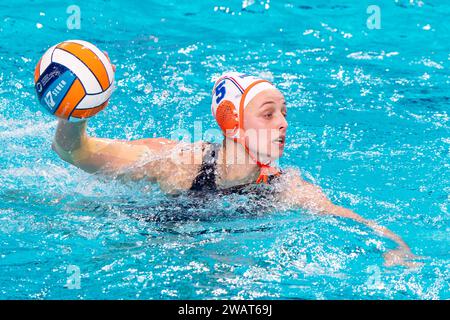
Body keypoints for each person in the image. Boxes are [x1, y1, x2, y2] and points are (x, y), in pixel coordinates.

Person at [51, 71, 420, 267]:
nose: (283, 124)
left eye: (285, 113)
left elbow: (349, 219)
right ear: (233, 124)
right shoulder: (179, 163)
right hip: (136, 234)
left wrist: (398, 247)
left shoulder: (285, 187)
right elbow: (75, 152)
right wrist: (75, 112)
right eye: (269, 113)